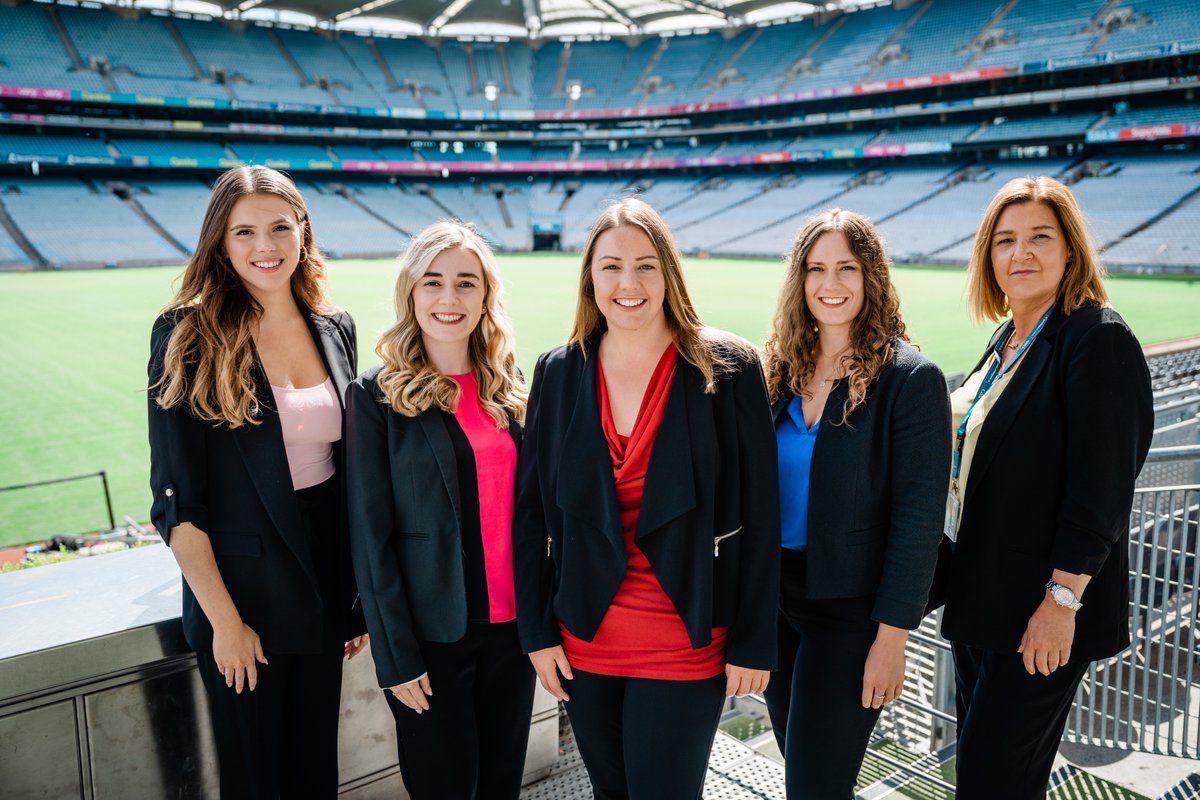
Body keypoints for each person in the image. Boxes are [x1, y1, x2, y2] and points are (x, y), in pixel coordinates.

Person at [512, 197, 780, 800]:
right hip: (584, 638)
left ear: (669, 274)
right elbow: (530, 514)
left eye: (645, 265)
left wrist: (754, 640)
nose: (627, 283)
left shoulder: (727, 367)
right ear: (590, 277)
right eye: (610, 266)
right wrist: (537, 631)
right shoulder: (558, 371)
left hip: (687, 639)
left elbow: (761, 515)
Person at [147, 165, 367, 799]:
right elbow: (177, 503)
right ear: (220, 241)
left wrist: (352, 597)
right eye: (244, 232)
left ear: (303, 231)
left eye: (280, 227)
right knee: (254, 780)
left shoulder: (333, 326)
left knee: (313, 776)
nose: (265, 247)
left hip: (323, 592)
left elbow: (343, 480)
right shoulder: (186, 335)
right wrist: (226, 622)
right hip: (242, 603)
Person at [942, 176, 1154, 799]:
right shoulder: (1007, 338)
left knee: (989, 780)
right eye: (1004, 241)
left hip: (1040, 611)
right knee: (997, 779)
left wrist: (1061, 604)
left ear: (1070, 250)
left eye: (1040, 237)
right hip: (983, 600)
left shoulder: (1097, 337)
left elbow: (1103, 489)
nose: (1021, 254)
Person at [759, 208, 951, 797]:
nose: (830, 284)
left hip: (850, 613)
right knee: (806, 771)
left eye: (847, 268)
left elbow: (918, 522)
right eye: (816, 269)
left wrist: (892, 640)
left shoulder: (910, 380)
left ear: (872, 277)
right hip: (777, 604)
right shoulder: (781, 369)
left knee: (816, 783)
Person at [344, 221, 534, 799]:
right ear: (411, 293)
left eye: (465, 283)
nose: (449, 299)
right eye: (432, 282)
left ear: (485, 296)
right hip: (432, 640)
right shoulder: (376, 397)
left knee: (501, 787)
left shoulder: (511, 387)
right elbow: (368, 536)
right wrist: (397, 658)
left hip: (515, 635)